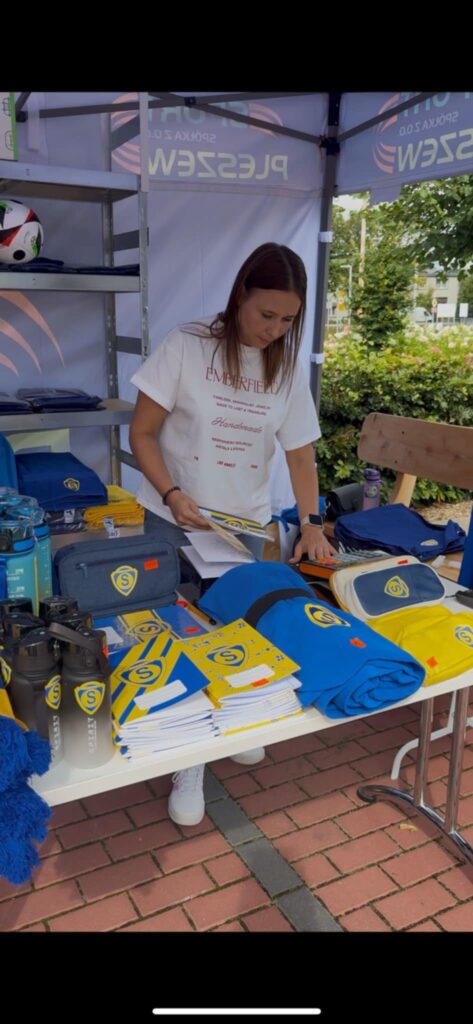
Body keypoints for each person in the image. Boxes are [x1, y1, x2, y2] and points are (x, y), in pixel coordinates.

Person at [129, 241, 335, 826]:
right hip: (172, 521)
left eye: (288, 320)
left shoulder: (285, 370)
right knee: (180, 638)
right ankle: (190, 762)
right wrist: (172, 492)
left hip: (242, 531)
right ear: (240, 294)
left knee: (238, 634)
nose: (275, 330)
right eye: (266, 314)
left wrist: (311, 524)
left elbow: (300, 455)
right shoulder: (186, 345)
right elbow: (141, 432)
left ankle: (236, 719)